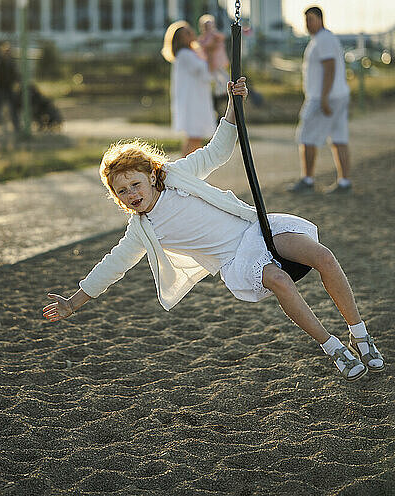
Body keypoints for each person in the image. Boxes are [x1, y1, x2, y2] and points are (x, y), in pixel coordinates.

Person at [43, 77, 384, 382]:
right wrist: (74, 302)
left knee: (322, 255)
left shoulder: (178, 175)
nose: (132, 194)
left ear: (151, 175)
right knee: (279, 280)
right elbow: (113, 265)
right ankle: (332, 346)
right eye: (122, 191)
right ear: (116, 196)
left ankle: (359, 333)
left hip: (253, 228)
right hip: (233, 259)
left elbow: (218, 150)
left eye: (135, 184)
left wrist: (234, 105)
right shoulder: (142, 229)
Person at [289, 7, 351, 194]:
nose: (308, 24)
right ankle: (344, 182)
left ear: (320, 19)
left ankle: (307, 180)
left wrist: (324, 97)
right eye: (306, 20)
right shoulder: (327, 38)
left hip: (323, 97)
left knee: (307, 136)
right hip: (338, 95)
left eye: (311, 19)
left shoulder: (323, 40)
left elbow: (329, 68)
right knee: (339, 138)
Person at [162, 20, 216, 157]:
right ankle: (183, 170)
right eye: (187, 33)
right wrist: (209, 52)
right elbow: (204, 70)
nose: (191, 33)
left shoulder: (190, 54)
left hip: (195, 101)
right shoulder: (185, 55)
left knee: (195, 138)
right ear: (180, 39)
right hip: (192, 103)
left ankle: (189, 171)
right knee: (194, 137)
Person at [198, 14, 230, 107]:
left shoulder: (215, 35)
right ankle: (218, 94)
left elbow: (215, 42)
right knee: (215, 78)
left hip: (217, 60)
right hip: (210, 61)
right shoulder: (204, 37)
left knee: (223, 76)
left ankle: (223, 93)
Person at [0, 42, 21, 134]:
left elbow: (16, 74)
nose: (7, 53)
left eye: (8, 51)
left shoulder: (11, 63)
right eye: (6, 51)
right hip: (2, 87)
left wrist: (18, 81)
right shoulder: (0, 62)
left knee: (13, 108)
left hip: (9, 88)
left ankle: (17, 127)